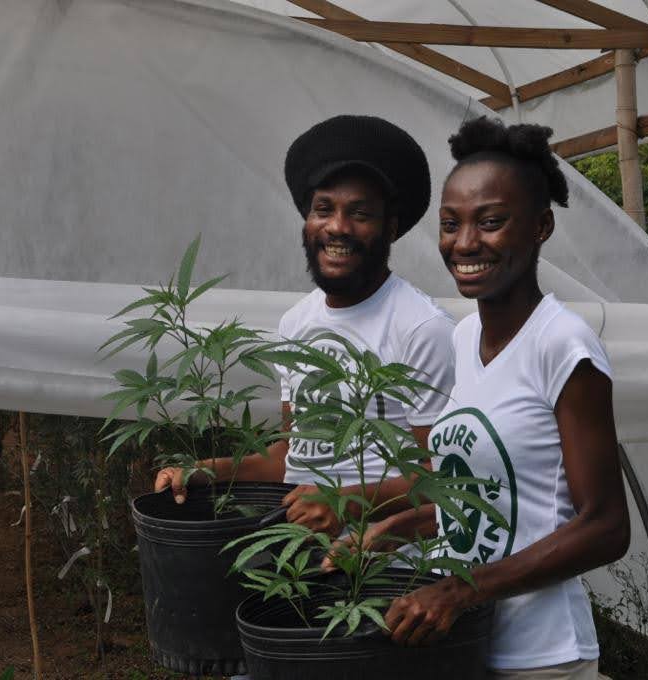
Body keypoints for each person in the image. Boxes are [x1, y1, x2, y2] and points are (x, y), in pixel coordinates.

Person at [375, 116, 629, 679]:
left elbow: (606, 526)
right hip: (466, 646)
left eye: (490, 222)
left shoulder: (563, 347)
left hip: (541, 656)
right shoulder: (463, 338)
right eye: (450, 223)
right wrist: (393, 528)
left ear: (540, 227)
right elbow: (482, 497)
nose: (465, 243)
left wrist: (459, 592)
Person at [154, 114, 455, 535]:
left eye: (360, 213)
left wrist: (347, 501)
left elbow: (446, 481)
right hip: (305, 565)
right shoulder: (296, 323)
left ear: (390, 228)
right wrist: (207, 470)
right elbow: (292, 456)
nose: (337, 227)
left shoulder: (422, 329)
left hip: (389, 574)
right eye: (323, 209)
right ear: (307, 221)